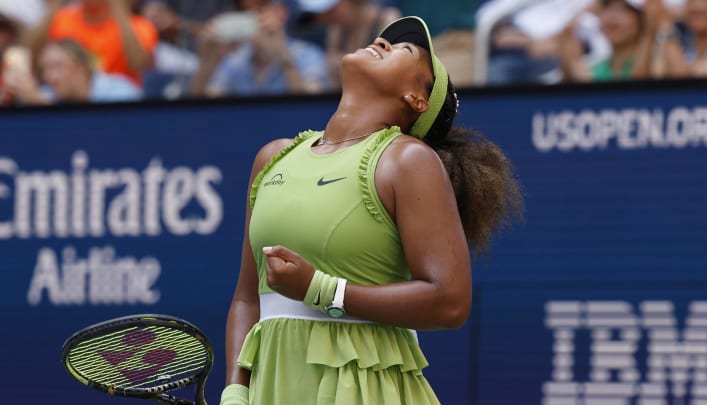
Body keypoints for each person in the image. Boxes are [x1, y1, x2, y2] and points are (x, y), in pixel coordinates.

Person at [220, 16, 523, 405]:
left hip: (363, 390)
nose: (382, 42)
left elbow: (450, 301)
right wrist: (236, 390)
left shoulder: (408, 161)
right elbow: (248, 297)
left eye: (403, 49)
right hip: (271, 387)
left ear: (416, 99)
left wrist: (321, 289)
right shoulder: (272, 157)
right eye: (385, 39)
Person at [194, 0, 331, 97]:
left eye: (260, 8)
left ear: (281, 12)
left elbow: (311, 108)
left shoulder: (310, 56)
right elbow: (203, 111)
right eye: (245, 10)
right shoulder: (234, 61)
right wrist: (206, 62)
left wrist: (283, 55)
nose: (252, 15)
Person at [26, 0, 158, 85]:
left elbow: (141, 67)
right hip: (71, 101)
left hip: (121, 105)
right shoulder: (62, 19)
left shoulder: (140, 26)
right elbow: (30, 54)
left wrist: (119, 7)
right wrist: (55, 5)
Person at [295, 0, 401, 89]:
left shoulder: (387, 19)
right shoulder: (335, 29)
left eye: (331, 10)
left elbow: (394, 75)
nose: (324, 18)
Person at [4, 39, 142, 104]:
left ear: (82, 69)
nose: (48, 77)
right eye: (44, 69)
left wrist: (42, 106)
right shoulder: (47, 95)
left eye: (57, 66)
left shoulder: (120, 91)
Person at [559, 0, 645, 82]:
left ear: (641, 19)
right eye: (607, 8)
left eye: (624, 10)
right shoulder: (594, 68)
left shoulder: (653, 64)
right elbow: (567, 32)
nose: (612, 16)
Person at [635, 0, 707, 78]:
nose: (697, 7)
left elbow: (685, 80)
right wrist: (650, 26)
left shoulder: (671, 39)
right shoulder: (683, 44)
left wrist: (665, 25)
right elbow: (639, 79)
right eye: (691, 2)